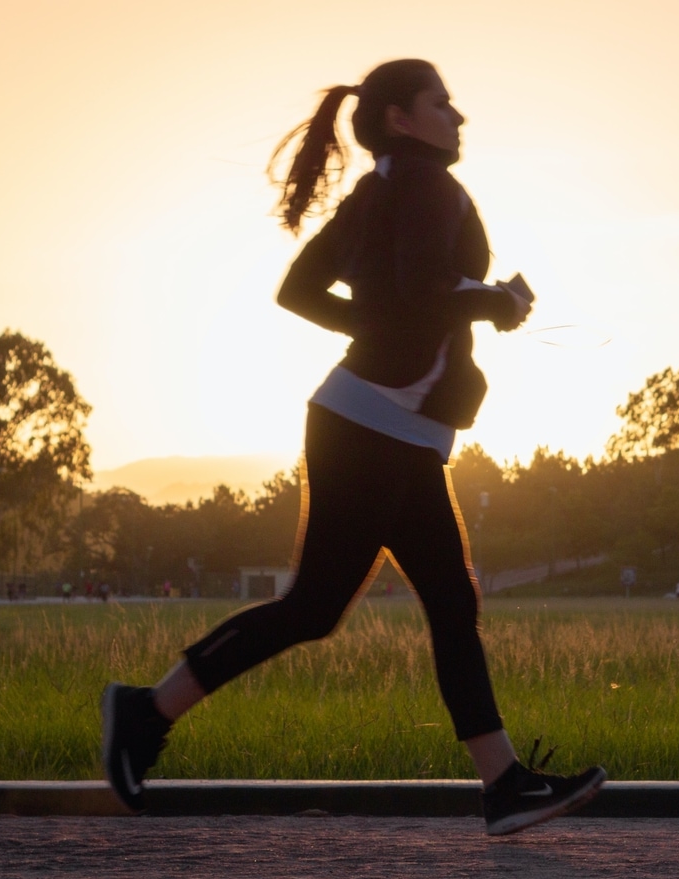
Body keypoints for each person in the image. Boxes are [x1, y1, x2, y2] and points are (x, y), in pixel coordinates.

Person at [101, 59, 605, 835]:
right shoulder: (428, 190)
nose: (458, 116)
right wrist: (498, 301)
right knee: (317, 606)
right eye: (443, 102)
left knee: (448, 599)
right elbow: (418, 291)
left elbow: (301, 290)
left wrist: (380, 330)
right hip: (370, 427)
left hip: (382, 424)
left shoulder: (378, 192)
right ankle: (145, 711)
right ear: (402, 117)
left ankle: (503, 784)